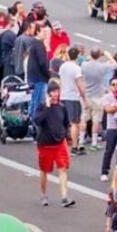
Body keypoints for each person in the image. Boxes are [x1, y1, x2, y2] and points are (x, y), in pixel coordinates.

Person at [34, 80, 75, 208]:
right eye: (53, 92)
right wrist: (46, 107)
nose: (55, 94)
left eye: (57, 91)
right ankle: (43, 194)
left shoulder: (62, 107)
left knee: (63, 168)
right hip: (45, 144)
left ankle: (64, 196)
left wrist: (67, 137)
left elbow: (66, 123)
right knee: (44, 170)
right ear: (48, 94)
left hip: (59, 143)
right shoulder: (42, 106)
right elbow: (37, 120)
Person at [59, 46, 88, 154]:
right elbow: (80, 85)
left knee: (65, 122)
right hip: (73, 97)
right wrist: (84, 99)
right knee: (75, 122)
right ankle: (75, 146)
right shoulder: (76, 68)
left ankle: (62, 144)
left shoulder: (63, 66)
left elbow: (61, 80)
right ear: (77, 56)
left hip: (63, 95)